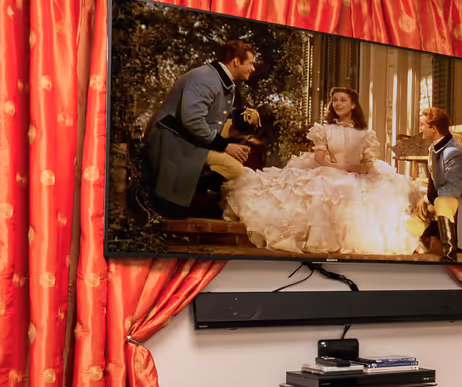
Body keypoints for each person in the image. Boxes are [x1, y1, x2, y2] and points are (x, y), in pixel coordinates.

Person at [222, 87, 424, 256]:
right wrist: (338, 168)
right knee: (324, 186)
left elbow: (369, 163)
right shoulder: (325, 130)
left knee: (374, 192)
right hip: (329, 168)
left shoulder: (366, 133)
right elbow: (319, 159)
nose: (337, 104)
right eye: (335, 100)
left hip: (357, 172)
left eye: (343, 100)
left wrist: (354, 169)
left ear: (353, 104)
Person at [143, 40, 262, 216]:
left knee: (237, 169)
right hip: (174, 141)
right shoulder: (205, 79)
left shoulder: (220, 81)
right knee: (235, 170)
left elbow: (213, 120)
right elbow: (192, 121)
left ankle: (197, 194)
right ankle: (197, 193)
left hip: (190, 140)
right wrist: (226, 146)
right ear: (237, 61)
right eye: (251, 63)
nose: (253, 69)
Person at [419, 106, 462, 258]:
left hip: (461, 199)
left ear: (433, 128)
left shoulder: (453, 152)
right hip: (446, 197)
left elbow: (453, 189)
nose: (420, 129)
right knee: (415, 205)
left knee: (441, 201)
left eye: (422, 125)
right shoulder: (435, 148)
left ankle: (449, 253)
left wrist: (428, 199)